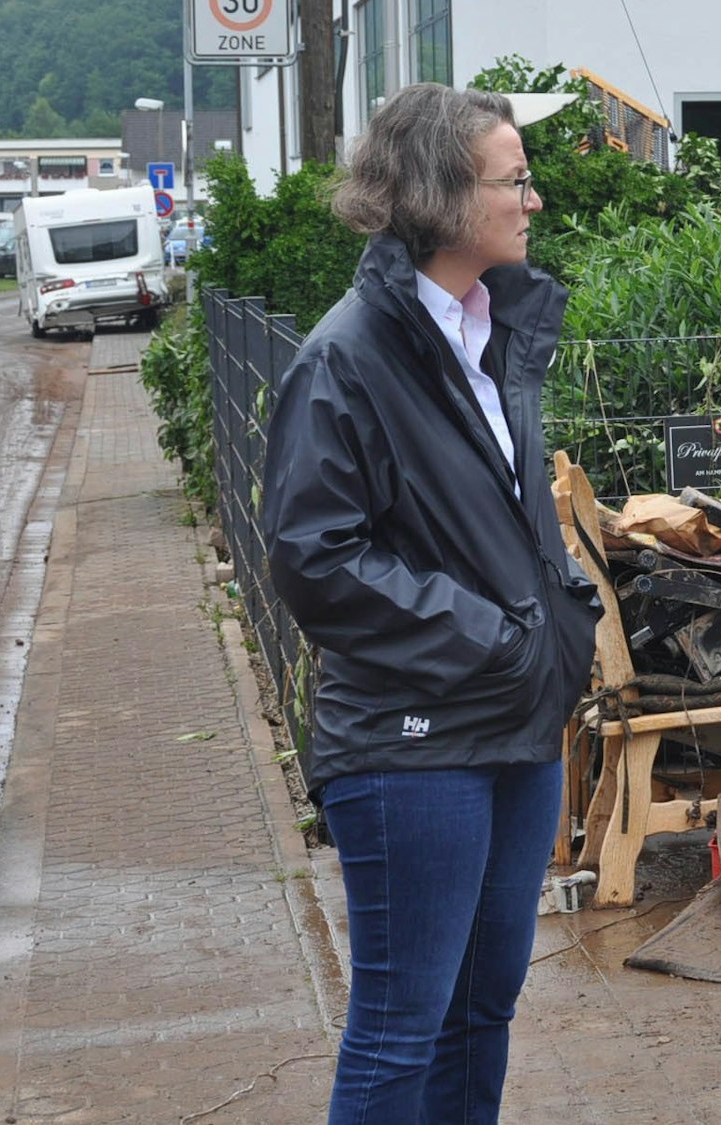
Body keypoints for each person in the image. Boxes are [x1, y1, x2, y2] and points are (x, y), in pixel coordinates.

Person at [262, 83, 598, 1122]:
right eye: (515, 180)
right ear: (443, 197)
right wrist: (498, 640)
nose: (532, 201)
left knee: (480, 1010)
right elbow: (315, 558)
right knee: (402, 1025)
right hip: (411, 746)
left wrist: (562, 608)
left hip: (511, 728)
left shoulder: (489, 332)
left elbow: (502, 520)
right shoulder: (348, 357)